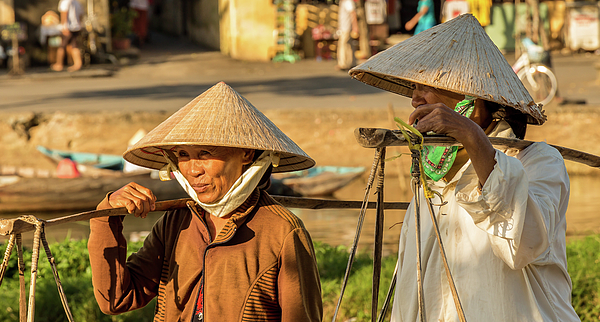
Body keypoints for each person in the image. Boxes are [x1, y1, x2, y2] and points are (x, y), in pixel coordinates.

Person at [349, 14, 580, 321]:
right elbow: (412, 288)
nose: (416, 98)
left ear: (479, 101)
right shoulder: (431, 183)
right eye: (415, 87)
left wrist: (472, 136)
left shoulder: (537, 161)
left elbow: (522, 244)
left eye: (431, 85)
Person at [87, 82, 323, 321]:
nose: (192, 170)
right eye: (183, 155)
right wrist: (106, 216)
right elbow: (116, 300)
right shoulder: (175, 223)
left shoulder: (282, 232)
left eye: (205, 154)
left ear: (246, 154)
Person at [51, 0, 83, 72]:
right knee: (74, 45)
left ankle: (59, 64)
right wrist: (79, 24)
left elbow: (64, 13)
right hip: (76, 27)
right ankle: (78, 63)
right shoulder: (77, 2)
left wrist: (64, 26)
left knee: (62, 46)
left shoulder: (65, 1)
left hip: (68, 27)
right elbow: (81, 14)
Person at [336, 0, 359, 70]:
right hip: (343, 27)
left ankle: (343, 63)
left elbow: (353, 13)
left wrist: (355, 26)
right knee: (349, 45)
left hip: (347, 27)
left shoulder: (348, 2)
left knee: (343, 44)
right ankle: (352, 62)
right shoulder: (343, 2)